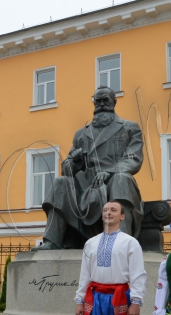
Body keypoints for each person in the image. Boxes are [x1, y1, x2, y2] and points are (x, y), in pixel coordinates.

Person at [39, 86, 145, 249]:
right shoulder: (81, 134)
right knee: (61, 182)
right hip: (86, 187)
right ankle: (52, 241)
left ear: (114, 102)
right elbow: (66, 169)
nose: (101, 104)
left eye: (106, 100)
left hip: (114, 183)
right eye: (98, 101)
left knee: (121, 179)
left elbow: (133, 159)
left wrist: (109, 172)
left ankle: (120, 242)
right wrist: (74, 162)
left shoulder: (129, 127)